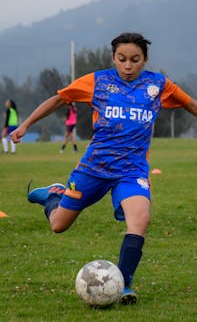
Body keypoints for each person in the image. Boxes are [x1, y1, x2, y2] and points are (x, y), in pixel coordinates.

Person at [10, 32, 197, 304]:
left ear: (145, 60)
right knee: (58, 225)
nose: (128, 65)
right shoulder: (98, 81)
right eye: (122, 59)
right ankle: (54, 195)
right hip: (93, 169)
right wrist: (25, 125)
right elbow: (59, 99)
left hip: (131, 172)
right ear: (113, 58)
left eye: (135, 59)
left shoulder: (158, 85)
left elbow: (190, 104)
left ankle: (124, 283)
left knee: (140, 220)